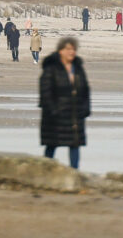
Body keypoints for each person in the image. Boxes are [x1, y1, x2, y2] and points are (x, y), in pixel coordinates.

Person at [38, 35, 91, 168]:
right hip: (55, 116)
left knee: (75, 144)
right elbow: (45, 92)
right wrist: (53, 110)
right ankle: (45, 173)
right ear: (60, 50)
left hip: (74, 114)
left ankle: (75, 174)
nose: (71, 52)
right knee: (52, 145)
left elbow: (85, 90)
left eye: (73, 49)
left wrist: (85, 109)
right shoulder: (51, 68)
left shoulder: (78, 68)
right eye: (68, 49)